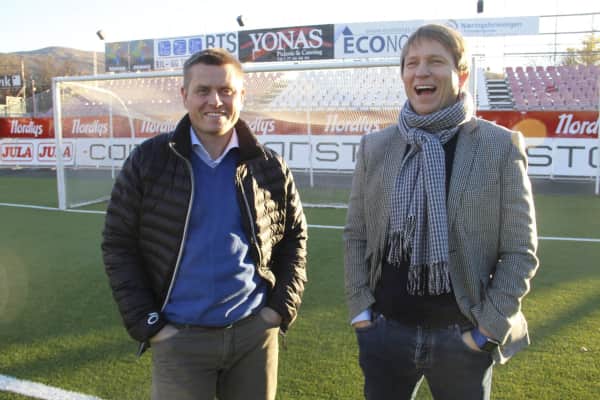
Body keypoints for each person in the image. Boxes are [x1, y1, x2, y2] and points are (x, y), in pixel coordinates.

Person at [344, 24, 538, 400]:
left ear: (460, 74)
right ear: (403, 75)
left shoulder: (499, 146)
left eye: (435, 61)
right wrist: (360, 313)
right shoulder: (375, 147)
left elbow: (520, 250)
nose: (422, 71)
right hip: (385, 333)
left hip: (463, 337)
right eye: (412, 63)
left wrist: (486, 331)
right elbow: (357, 234)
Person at [102, 48, 308, 400]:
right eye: (203, 90)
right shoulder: (148, 161)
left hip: (254, 336)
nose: (215, 101)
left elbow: (294, 239)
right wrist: (149, 324)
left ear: (242, 95)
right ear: (185, 95)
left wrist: (277, 311)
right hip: (179, 339)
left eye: (226, 90)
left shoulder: (269, 166)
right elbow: (118, 244)